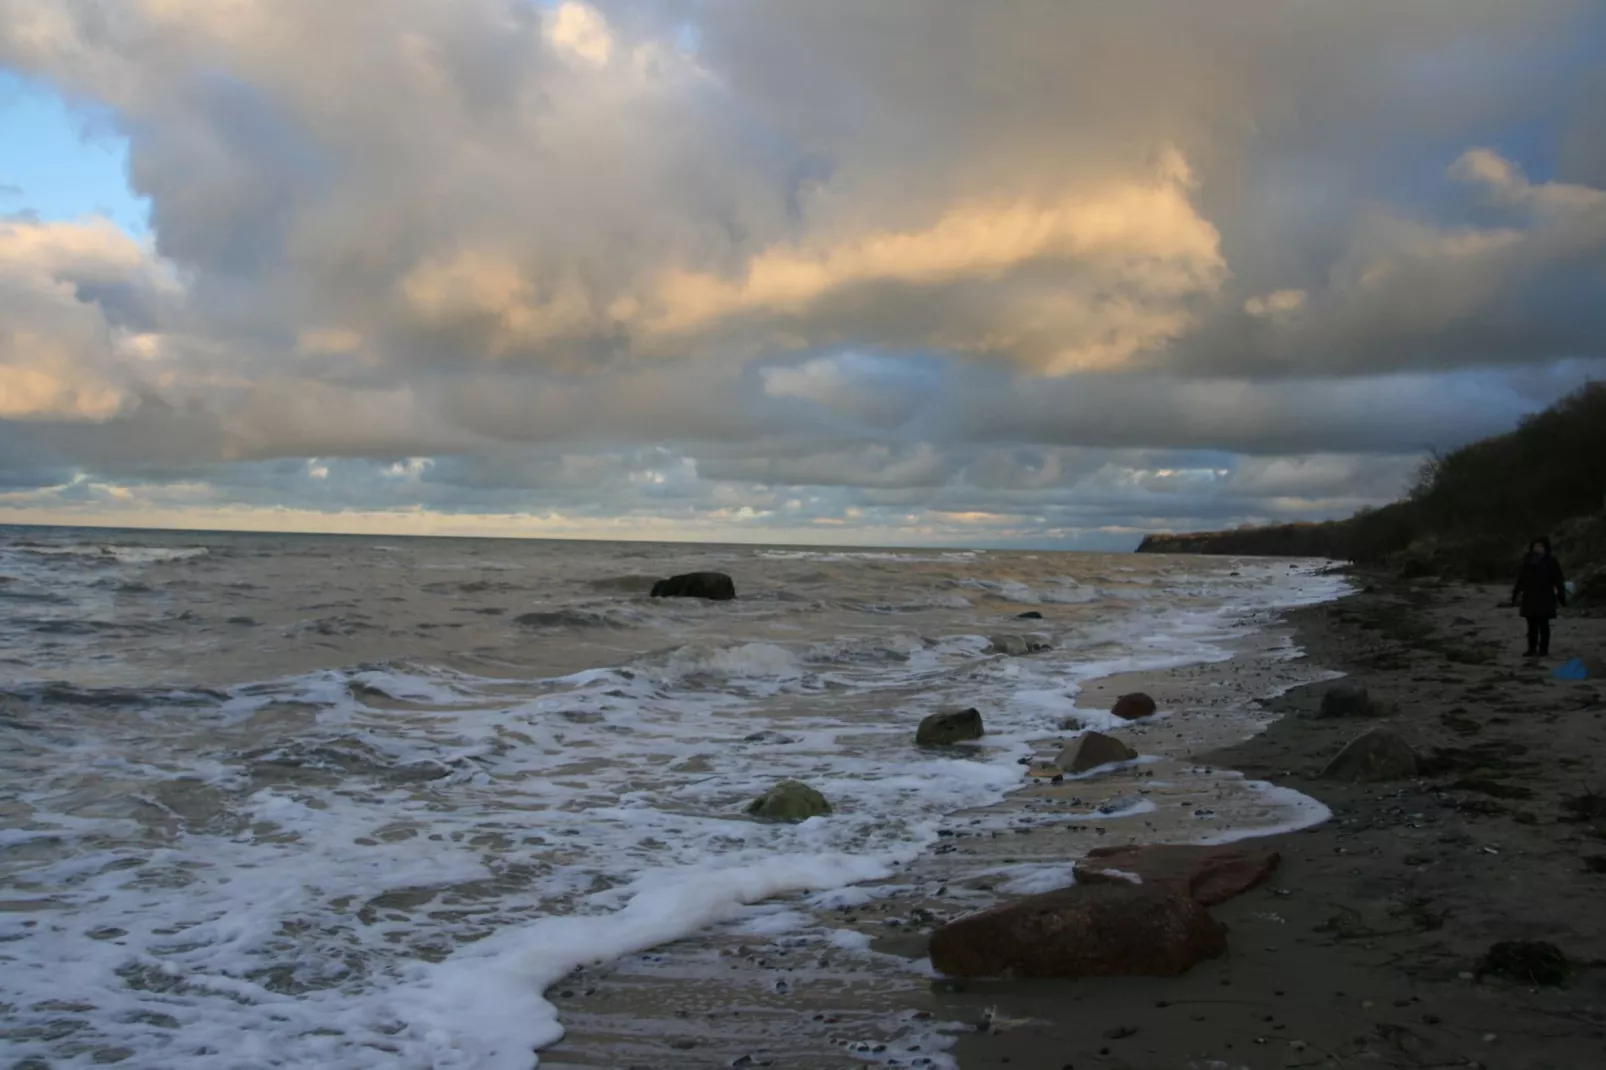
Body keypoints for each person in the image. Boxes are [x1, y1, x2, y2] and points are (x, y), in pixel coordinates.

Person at [1511, 536, 1566, 657]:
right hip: (1530, 597)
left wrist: (1562, 596)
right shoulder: (1528, 561)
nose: (1538, 549)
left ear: (1545, 548)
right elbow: (1521, 579)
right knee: (1531, 625)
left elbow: (1558, 580)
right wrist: (1515, 594)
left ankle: (1543, 649)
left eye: (1540, 546)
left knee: (1543, 625)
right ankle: (1531, 649)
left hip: (1545, 596)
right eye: (1536, 546)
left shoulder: (1551, 561)